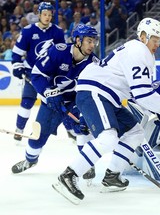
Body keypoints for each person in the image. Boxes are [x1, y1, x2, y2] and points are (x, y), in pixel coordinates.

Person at [53, 17, 160, 202]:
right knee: (108, 137)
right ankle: (69, 175)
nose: (157, 44)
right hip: (96, 91)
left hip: (108, 96)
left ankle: (112, 176)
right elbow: (142, 93)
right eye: (154, 39)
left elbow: (138, 93)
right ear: (143, 36)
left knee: (135, 132)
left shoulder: (143, 54)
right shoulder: (138, 50)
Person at [11, 24, 99, 182]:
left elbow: (95, 91)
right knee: (37, 139)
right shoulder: (58, 51)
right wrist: (48, 93)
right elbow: (37, 75)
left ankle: (86, 164)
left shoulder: (93, 64)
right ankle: (30, 160)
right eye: (89, 41)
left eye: (94, 42)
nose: (92, 45)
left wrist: (87, 111)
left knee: (83, 130)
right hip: (51, 101)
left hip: (75, 101)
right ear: (78, 40)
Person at [11, 2, 65, 143]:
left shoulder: (58, 32)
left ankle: (65, 129)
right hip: (31, 72)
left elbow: (62, 52)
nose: (47, 17)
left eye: (49, 15)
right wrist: (17, 65)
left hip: (50, 74)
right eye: (44, 14)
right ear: (39, 15)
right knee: (27, 101)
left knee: (53, 103)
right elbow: (17, 53)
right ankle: (19, 129)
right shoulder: (28, 31)